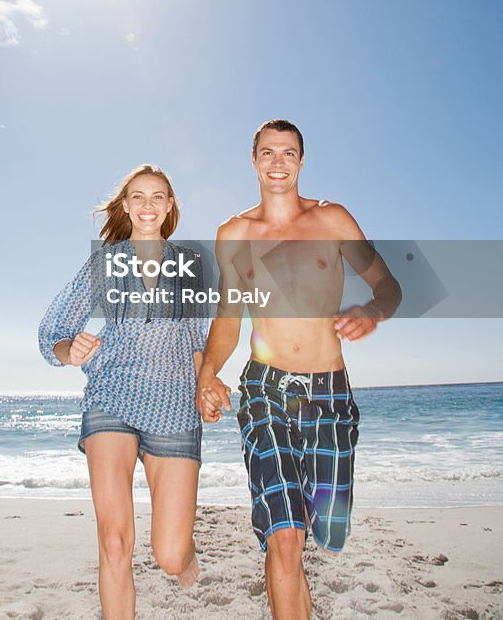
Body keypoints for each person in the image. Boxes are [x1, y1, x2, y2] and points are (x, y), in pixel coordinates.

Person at [197, 120, 401, 620]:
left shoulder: (332, 220)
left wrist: (372, 311)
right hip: (264, 385)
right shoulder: (235, 234)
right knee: (284, 533)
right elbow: (228, 318)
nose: (278, 162)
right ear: (253, 161)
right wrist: (207, 373)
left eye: (288, 153)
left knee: (324, 533)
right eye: (268, 153)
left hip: (328, 392)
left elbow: (388, 285)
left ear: (302, 161)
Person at [38, 164, 207, 620]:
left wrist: (207, 386)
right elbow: (54, 329)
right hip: (111, 398)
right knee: (114, 540)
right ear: (127, 205)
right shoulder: (104, 262)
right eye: (138, 196)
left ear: (170, 206)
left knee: (169, 555)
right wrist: (69, 350)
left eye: (158, 196)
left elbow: (198, 343)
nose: (148, 204)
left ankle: (184, 554)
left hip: (175, 408)